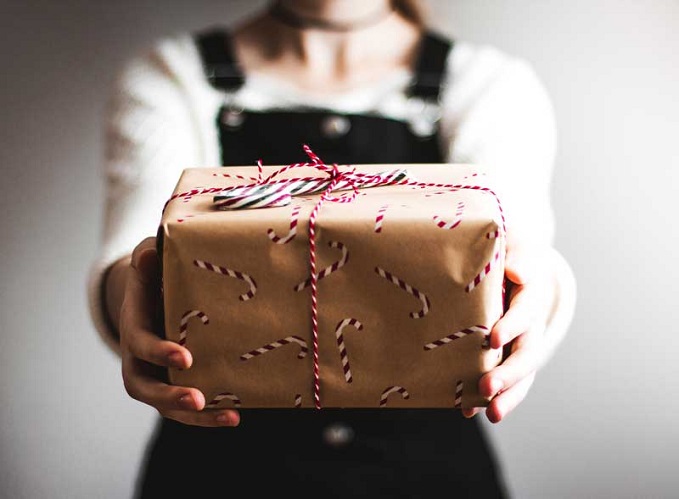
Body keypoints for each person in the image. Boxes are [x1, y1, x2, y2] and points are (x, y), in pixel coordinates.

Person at [87, 0, 577, 497]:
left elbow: (521, 249)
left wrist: (539, 293)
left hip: (429, 476)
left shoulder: (488, 84)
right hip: (219, 473)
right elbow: (134, 255)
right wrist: (135, 298)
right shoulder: (172, 77)